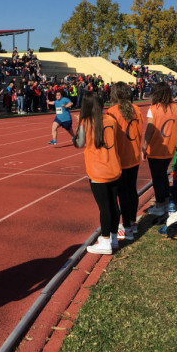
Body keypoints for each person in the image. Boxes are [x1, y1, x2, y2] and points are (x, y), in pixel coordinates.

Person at [74, 92, 122, 255]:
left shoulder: (86, 122)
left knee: (105, 207)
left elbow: (79, 143)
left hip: (98, 171)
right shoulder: (111, 120)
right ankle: (113, 237)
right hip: (114, 167)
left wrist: (78, 125)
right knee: (114, 205)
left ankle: (106, 240)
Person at [107, 82, 144, 241]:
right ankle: (132, 223)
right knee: (131, 191)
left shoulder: (112, 112)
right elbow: (140, 130)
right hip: (134, 155)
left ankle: (127, 227)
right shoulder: (137, 109)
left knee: (122, 194)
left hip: (120, 157)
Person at [141, 83, 177, 216]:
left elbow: (149, 130)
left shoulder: (153, 109)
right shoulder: (176, 108)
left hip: (157, 148)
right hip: (170, 147)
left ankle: (160, 205)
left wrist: (144, 147)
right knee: (163, 175)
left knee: (157, 178)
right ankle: (165, 200)